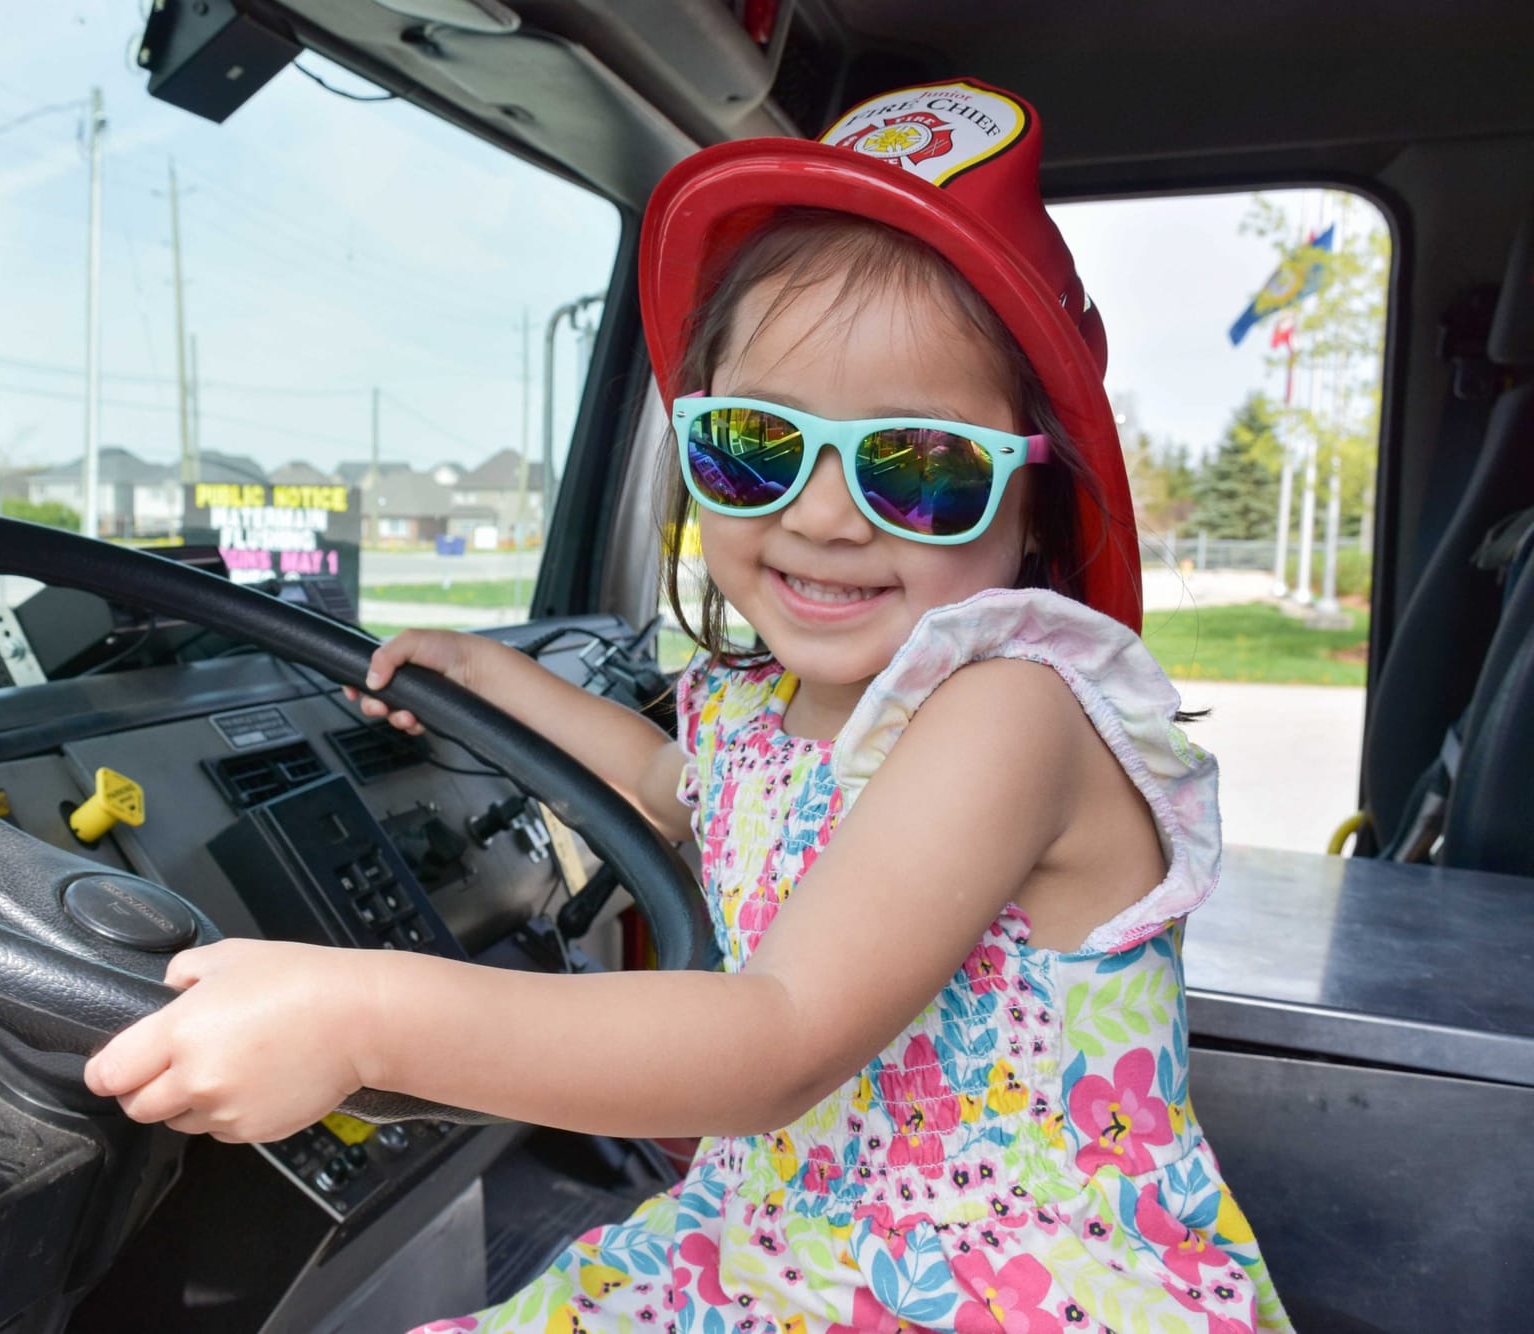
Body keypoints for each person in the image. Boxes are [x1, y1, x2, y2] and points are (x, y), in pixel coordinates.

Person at [84, 78, 1291, 1333]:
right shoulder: (769, 708)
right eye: (754, 448)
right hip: (784, 1237)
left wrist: (365, 1014)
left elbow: (776, 1036)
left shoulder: (1010, 710)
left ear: (1033, 500)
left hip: (993, 1284)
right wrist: (502, 683)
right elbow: (677, 789)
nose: (819, 516)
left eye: (917, 466)